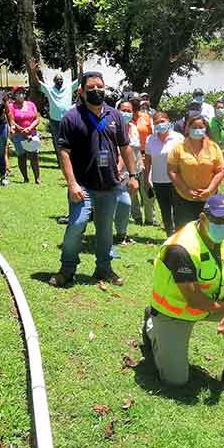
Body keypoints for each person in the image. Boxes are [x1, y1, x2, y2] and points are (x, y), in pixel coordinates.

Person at [142, 194, 224, 388]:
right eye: (217, 220)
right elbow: (194, 299)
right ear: (203, 217)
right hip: (175, 311)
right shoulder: (181, 247)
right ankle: (152, 326)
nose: (223, 226)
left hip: (210, 302)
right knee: (175, 381)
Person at [49, 71, 139, 288]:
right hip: (82, 185)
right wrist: (71, 184)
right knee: (77, 224)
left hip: (109, 185)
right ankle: (67, 270)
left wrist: (133, 175)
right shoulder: (72, 117)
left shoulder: (114, 115)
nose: (97, 90)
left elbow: (125, 147)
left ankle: (104, 269)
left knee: (105, 229)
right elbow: (64, 153)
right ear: (81, 91)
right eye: (91, 88)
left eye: (100, 86)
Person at [167, 115, 224, 229]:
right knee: (184, 231)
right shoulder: (178, 148)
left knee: (207, 230)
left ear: (205, 128)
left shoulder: (214, 147)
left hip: (208, 198)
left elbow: (220, 171)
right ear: (187, 129)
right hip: (184, 198)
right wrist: (185, 190)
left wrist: (209, 190)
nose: (197, 130)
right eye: (194, 127)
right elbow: (172, 171)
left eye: (200, 127)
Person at [144, 111, 184, 236]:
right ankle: (169, 236)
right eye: (156, 122)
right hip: (158, 181)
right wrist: (146, 180)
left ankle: (179, 236)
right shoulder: (150, 139)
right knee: (165, 210)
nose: (160, 124)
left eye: (162, 121)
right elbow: (148, 161)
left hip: (176, 181)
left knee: (178, 211)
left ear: (168, 121)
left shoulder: (178, 138)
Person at [113, 100, 142, 247]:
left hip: (131, 174)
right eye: (123, 110)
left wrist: (139, 167)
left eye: (129, 111)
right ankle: (112, 234)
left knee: (125, 205)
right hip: (115, 173)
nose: (126, 113)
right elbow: (124, 150)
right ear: (117, 110)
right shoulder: (112, 128)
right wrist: (118, 168)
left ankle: (121, 234)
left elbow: (135, 151)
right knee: (123, 203)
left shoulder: (134, 128)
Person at [37, 71, 79, 166]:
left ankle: (71, 161)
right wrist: (32, 70)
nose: (59, 81)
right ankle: (61, 162)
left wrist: (80, 66)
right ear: (54, 81)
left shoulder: (69, 88)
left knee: (70, 141)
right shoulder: (49, 89)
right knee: (57, 142)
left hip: (67, 120)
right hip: (55, 121)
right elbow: (37, 82)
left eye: (61, 79)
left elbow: (79, 80)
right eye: (57, 79)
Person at [129, 95, 157, 226]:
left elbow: (153, 135)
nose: (134, 108)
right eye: (132, 105)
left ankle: (150, 217)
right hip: (130, 156)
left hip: (146, 156)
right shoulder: (126, 118)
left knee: (148, 186)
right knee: (132, 187)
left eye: (136, 105)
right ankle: (136, 216)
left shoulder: (146, 118)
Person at [8, 86, 41, 184]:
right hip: (18, 135)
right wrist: (22, 130)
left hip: (32, 134)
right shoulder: (11, 106)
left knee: (34, 155)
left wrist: (29, 129)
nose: (21, 94)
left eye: (22, 92)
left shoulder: (31, 104)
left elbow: (37, 118)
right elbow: (11, 121)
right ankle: (25, 178)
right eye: (18, 93)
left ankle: (37, 178)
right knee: (21, 156)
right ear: (14, 95)